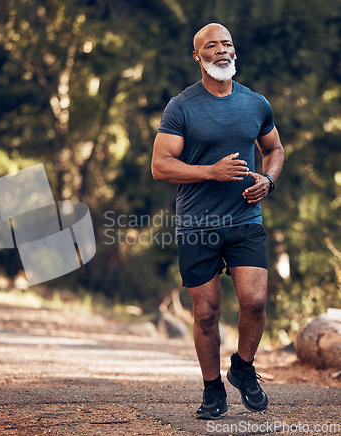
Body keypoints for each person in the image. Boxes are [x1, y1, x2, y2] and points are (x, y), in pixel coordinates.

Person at [151, 23, 284, 420]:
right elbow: (160, 166)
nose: (221, 50)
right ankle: (212, 390)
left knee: (255, 302)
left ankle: (243, 367)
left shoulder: (256, 103)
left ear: (234, 51)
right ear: (198, 56)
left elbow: (274, 148)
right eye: (212, 45)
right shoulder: (182, 107)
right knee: (206, 312)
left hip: (245, 218)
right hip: (197, 223)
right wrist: (211, 172)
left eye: (227, 43)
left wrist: (268, 179)